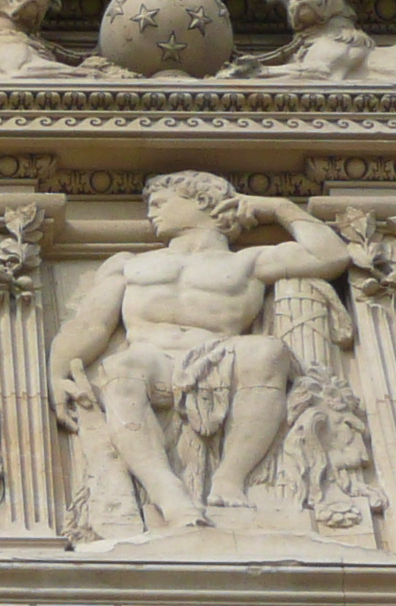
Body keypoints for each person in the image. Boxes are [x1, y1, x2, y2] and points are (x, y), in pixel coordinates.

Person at [49, 171, 352, 530]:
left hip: (217, 357)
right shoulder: (129, 264)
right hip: (152, 358)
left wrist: (281, 208)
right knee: (121, 366)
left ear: (203, 202)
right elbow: (90, 326)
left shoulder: (250, 262)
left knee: (267, 351)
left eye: (160, 203)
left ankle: (229, 479)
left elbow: (330, 254)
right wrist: (56, 374)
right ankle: (168, 493)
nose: (150, 214)